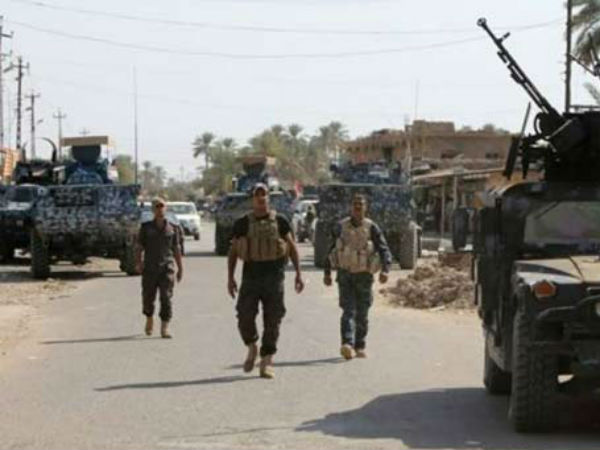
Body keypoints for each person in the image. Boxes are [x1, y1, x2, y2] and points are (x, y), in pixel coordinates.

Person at [227, 183, 304, 379]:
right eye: (257, 195)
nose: (261, 198)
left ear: (269, 197)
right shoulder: (243, 223)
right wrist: (230, 278)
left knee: (273, 319)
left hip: (274, 277)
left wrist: (298, 273)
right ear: (253, 199)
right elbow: (233, 251)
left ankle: (267, 359)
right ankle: (252, 346)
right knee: (244, 316)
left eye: (264, 194)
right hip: (251, 278)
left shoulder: (280, 221)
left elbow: (292, 247)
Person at [323, 193, 392, 360]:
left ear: (365, 208)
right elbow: (330, 250)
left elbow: (384, 249)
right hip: (345, 274)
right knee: (348, 310)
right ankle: (347, 343)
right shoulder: (341, 227)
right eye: (355, 204)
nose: (358, 207)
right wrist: (327, 273)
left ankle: (360, 345)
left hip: (364, 276)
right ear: (351, 207)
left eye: (361, 204)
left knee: (362, 313)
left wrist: (385, 270)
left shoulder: (371, 227)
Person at [136, 197, 183, 339]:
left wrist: (180, 268)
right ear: (153, 210)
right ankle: (149, 317)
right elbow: (139, 247)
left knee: (166, 297)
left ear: (166, 208)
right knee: (148, 297)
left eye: (162, 206)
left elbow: (176, 248)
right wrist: (138, 262)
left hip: (166, 268)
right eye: (157, 206)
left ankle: (165, 327)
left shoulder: (172, 228)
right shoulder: (146, 228)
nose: (160, 209)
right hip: (150, 267)